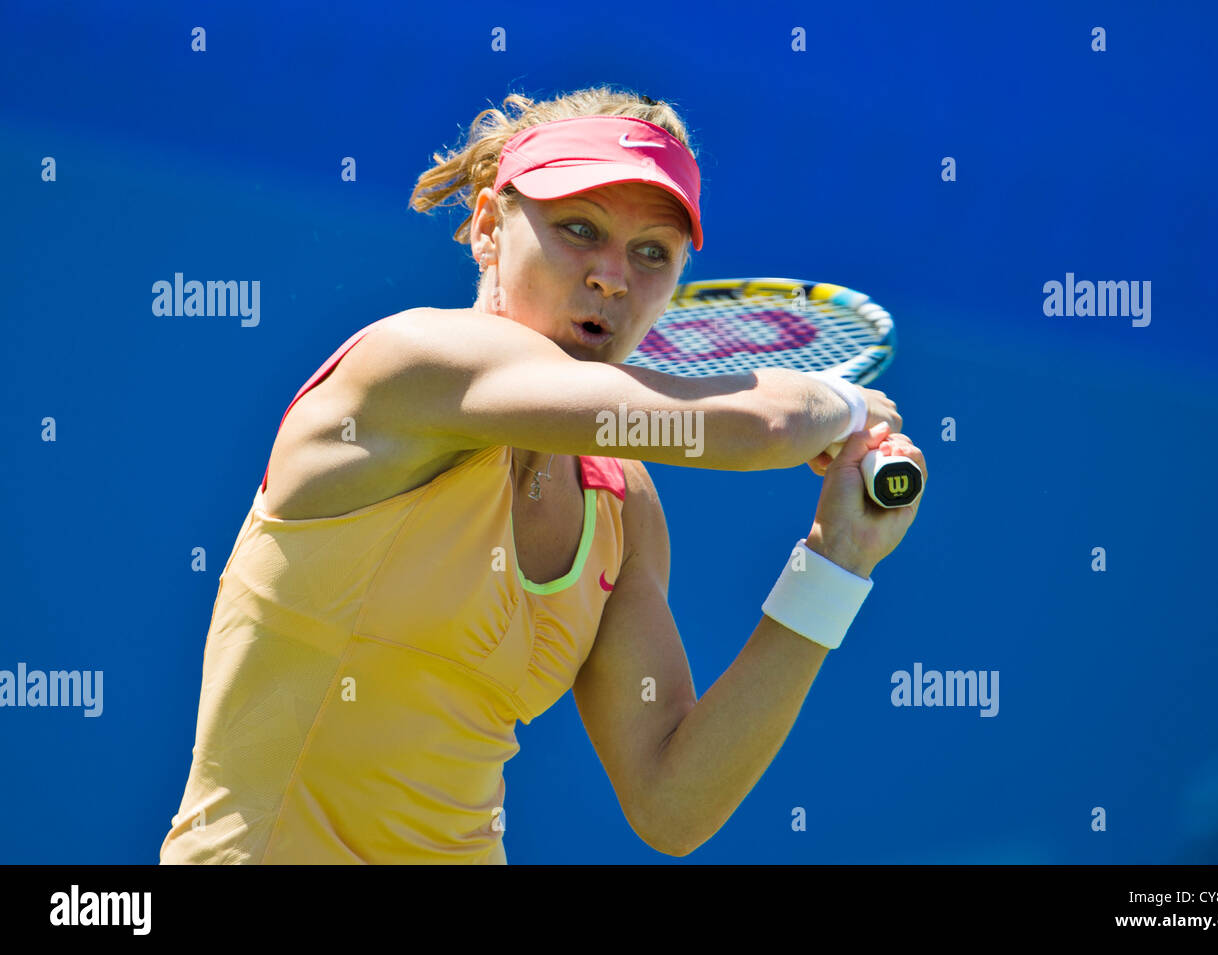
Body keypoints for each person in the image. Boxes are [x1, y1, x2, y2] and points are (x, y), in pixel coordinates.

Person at [158, 86, 925, 864]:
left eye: (652, 252)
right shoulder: (412, 365)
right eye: (579, 230)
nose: (613, 278)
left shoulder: (620, 504)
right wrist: (846, 402)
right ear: (490, 226)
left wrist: (839, 558)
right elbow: (761, 424)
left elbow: (674, 800)